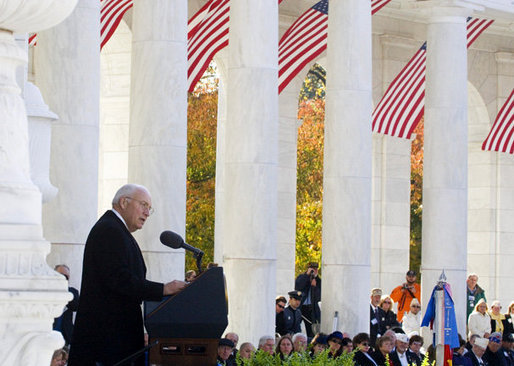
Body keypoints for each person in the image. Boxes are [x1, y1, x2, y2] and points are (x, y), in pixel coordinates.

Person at [68, 184, 187, 366]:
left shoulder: (117, 230)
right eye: (143, 205)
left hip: (115, 343)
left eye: (149, 208)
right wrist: (163, 289)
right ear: (124, 202)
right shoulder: (109, 230)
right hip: (106, 345)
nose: (147, 213)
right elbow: (119, 279)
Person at [52, 264, 80, 346]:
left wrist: (64, 288)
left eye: (66, 277)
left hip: (65, 337)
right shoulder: (48, 291)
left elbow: (75, 306)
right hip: (50, 334)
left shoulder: (72, 292)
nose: (63, 278)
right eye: (60, 275)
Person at [295, 262, 321, 337]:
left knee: (311, 329)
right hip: (301, 306)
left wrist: (314, 286)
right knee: (297, 327)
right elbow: (298, 286)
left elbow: (319, 296)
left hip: (311, 308)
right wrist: (307, 275)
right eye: (312, 269)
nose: (314, 271)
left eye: (316, 269)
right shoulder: (302, 277)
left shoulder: (318, 280)